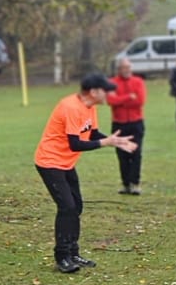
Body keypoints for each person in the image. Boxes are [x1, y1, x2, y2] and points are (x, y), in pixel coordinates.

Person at [33, 73, 136, 273]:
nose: (108, 94)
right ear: (94, 92)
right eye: (105, 90)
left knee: (76, 206)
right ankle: (62, 257)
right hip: (49, 162)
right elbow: (75, 143)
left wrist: (114, 141)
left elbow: (92, 134)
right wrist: (104, 143)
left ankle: (73, 253)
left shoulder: (90, 107)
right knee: (67, 207)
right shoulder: (71, 107)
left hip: (66, 163)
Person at [108, 56, 147, 194]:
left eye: (128, 67)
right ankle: (125, 184)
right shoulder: (112, 82)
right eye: (124, 68)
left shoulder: (138, 81)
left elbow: (140, 101)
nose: (127, 70)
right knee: (122, 155)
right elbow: (111, 101)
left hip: (136, 123)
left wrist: (121, 101)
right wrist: (129, 97)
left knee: (136, 153)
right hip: (119, 124)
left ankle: (135, 183)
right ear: (119, 69)